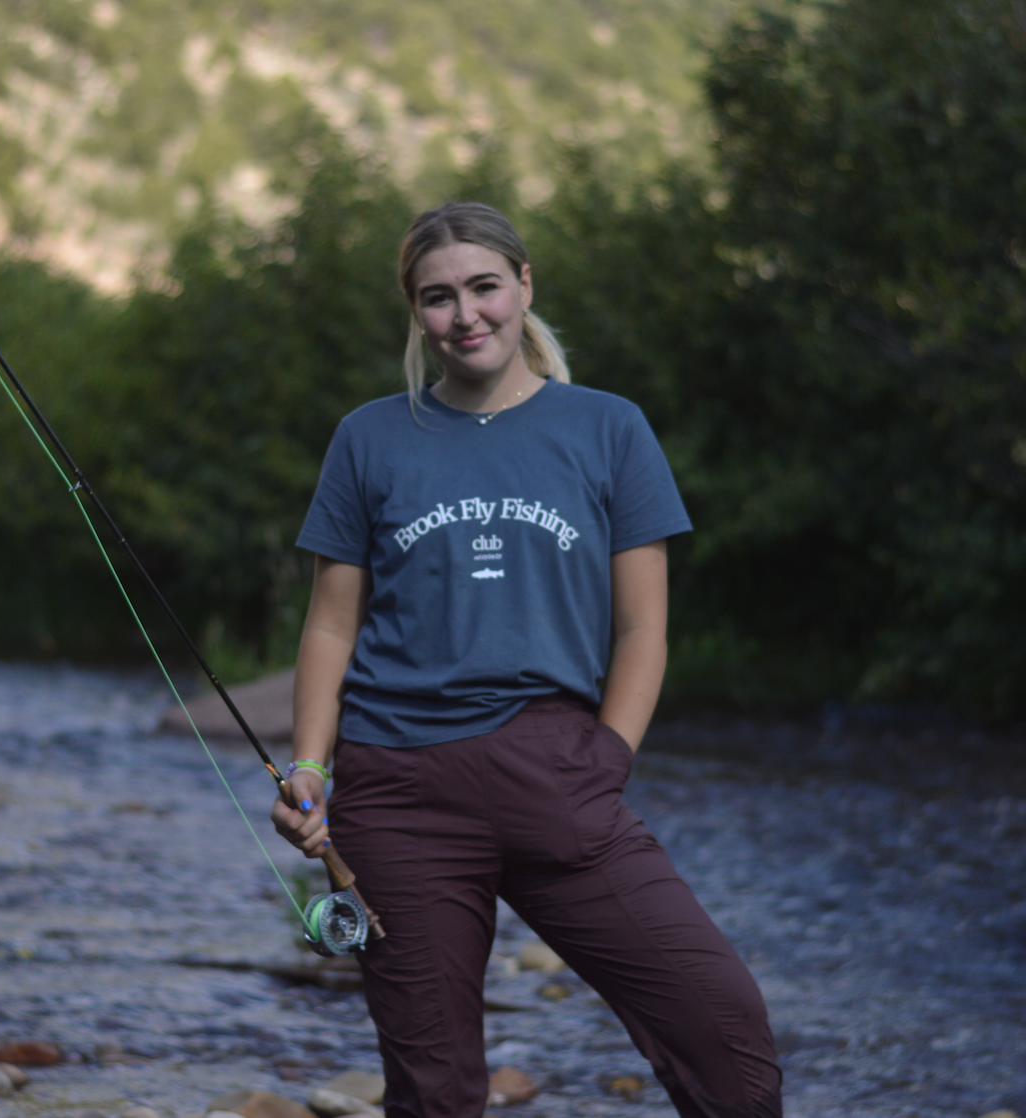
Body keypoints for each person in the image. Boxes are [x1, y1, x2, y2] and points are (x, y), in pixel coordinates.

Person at [271, 201, 781, 1118]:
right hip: (399, 797)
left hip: (559, 779)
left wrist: (608, 758)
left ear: (524, 287)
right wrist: (309, 767)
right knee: (435, 1093)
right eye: (438, 297)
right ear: (414, 312)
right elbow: (329, 628)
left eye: (483, 287)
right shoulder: (369, 438)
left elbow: (643, 630)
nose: (465, 315)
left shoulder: (609, 428)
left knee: (722, 1023)